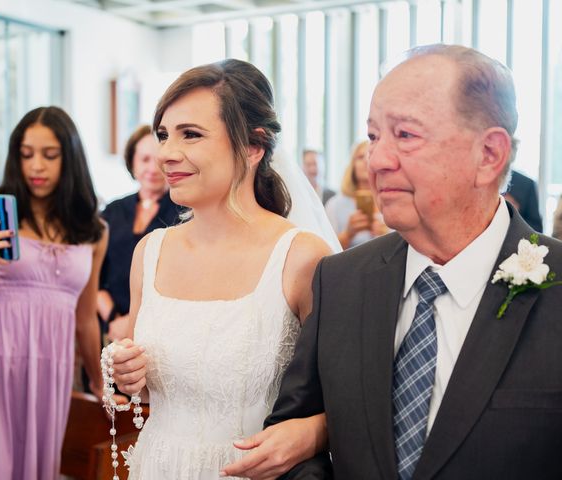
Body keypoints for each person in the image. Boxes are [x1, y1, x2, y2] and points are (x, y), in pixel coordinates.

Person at [226, 44, 562, 479]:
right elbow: (291, 441)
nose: (376, 162)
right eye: (373, 136)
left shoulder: (554, 286)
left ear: (489, 155)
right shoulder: (341, 281)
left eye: (404, 135)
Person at [111, 59, 333, 479]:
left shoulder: (300, 256)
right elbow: (148, 388)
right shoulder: (150, 252)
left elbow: (348, 397)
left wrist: (311, 434)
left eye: (190, 135)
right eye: (164, 135)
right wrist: (130, 374)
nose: (166, 155)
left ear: (253, 146)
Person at [0, 106, 108, 480]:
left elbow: (85, 319)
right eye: (26, 154)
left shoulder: (93, 231)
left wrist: (99, 383)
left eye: (49, 155)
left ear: (71, 157)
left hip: (49, 380)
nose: (36, 167)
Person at [98, 124, 182, 342]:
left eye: (158, 160)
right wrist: (114, 319)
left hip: (162, 329)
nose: (153, 169)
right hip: (111, 328)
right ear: (132, 163)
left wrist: (134, 322)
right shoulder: (111, 211)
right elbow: (94, 276)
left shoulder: (185, 212)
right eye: (144, 159)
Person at [324, 141, 388, 249]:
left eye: (370, 155)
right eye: (360, 157)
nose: (366, 160)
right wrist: (348, 234)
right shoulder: (335, 205)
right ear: (352, 165)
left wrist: (386, 236)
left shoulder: (392, 201)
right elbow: (326, 251)